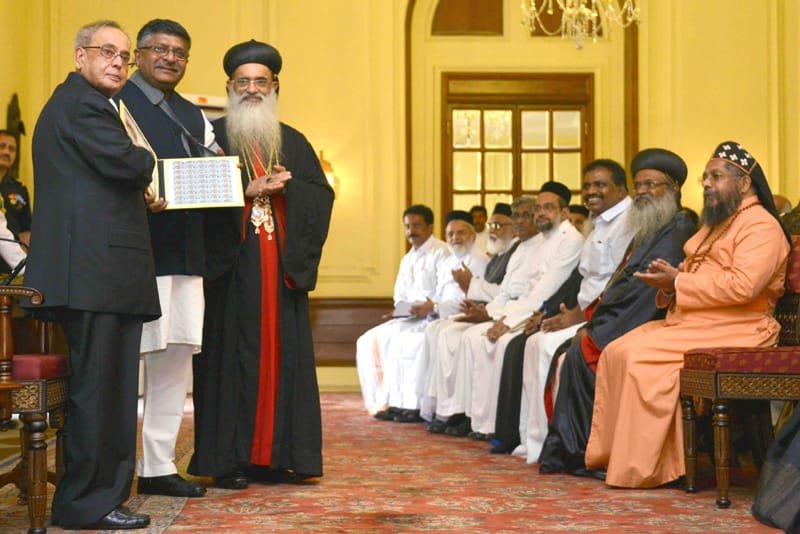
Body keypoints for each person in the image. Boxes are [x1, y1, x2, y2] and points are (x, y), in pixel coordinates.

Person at [584, 141, 790, 488]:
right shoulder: (720, 221)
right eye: (705, 177)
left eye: (716, 176)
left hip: (742, 327)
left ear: (743, 183)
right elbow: (695, 278)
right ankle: (616, 456)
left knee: (637, 357)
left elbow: (743, 288)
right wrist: (668, 284)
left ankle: (647, 466)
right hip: (699, 322)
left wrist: (679, 280)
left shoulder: (761, 226)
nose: (706, 183)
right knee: (617, 350)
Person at [26, 20, 158, 530]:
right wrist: (145, 156)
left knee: (104, 392)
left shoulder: (81, 103)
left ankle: (95, 498)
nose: (118, 63)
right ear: (80, 56)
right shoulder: (82, 103)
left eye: (125, 56)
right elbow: (128, 164)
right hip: (97, 275)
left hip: (97, 274)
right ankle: (89, 504)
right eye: (107, 52)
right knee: (103, 395)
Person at [189, 39, 334, 489]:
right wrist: (246, 193)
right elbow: (190, 196)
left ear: (275, 86)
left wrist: (289, 192)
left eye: (261, 82)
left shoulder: (293, 140)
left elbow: (321, 194)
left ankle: (280, 456)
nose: (253, 89)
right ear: (230, 86)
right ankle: (230, 459)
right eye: (243, 82)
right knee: (231, 362)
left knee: (283, 359)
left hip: (280, 274)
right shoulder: (208, 138)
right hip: (230, 273)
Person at [538, 148, 694, 477]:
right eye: (639, 185)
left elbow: (647, 288)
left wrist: (601, 327)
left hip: (649, 319)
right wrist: (592, 317)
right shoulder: (650, 228)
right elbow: (618, 282)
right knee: (571, 351)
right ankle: (574, 450)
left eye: (652, 185)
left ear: (674, 189)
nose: (643, 192)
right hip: (622, 316)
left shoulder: (680, 225)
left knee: (583, 351)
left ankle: (586, 452)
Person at [115, 19, 217, 498]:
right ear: (138, 54)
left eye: (179, 51)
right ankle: (110, 474)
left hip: (186, 252)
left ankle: (157, 466)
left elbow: (212, 172)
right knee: (123, 363)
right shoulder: (116, 101)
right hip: (134, 254)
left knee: (175, 359)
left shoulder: (193, 114)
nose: (169, 58)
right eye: (159, 48)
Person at [491, 160, 632, 457]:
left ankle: (551, 440)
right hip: (579, 312)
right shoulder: (598, 224)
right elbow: (580, 282)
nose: (592, 191)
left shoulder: (625, 224)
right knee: (534, 343)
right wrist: (553, 313)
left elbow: (619, 282)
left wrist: (575, 316)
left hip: (604, 317)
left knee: (540, 345)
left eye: (600, 185)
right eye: (588, 186)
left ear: (620, 191)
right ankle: (532, 438)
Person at [427, 183, 584, 436]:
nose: (538, 214)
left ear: (564, 213)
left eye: (547, 208)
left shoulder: (570, 240)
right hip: (516, 309)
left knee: (484, 341)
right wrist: (490, 314)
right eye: (538, 209)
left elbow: (543, 291)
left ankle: (489, 423)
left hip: (541, 312)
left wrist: (504, 321)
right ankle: (466, 415)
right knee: (459, 334)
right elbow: (507, 292)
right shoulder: (534, 243)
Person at [376, 210, 488, 422]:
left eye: (461, 233)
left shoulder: (478, 260)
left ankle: (430, 409)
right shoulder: (449, 261)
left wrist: (433, 307)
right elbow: (437, 293)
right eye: (451, 234)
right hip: (437, 314)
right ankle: (402, 402)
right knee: (395, 335)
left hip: (461, 316)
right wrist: (413, 308)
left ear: (472, 235)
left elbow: (472, 298)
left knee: (425, 336)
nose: (455, 238)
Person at [356, 204, 449, 417]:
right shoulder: (408, 258)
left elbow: (446, 292)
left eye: (416, 225)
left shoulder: (442, 252)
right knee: (369, 340)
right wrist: (399, 311)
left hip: (433, 317)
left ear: (430, 227)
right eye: (407, 226)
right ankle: (385, 401)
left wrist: (427, 308)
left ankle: (413, 406)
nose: (411, 231)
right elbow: (400, 295)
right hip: (408, 318)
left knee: (406, 344)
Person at [0, 130, 32, 246]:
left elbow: (25, 231)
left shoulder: (20, 190)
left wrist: (24, 259)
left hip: (12, 257)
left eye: (11, 149)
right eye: (2, 146)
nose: (6, 152)